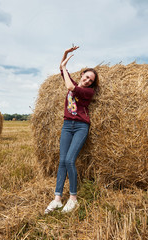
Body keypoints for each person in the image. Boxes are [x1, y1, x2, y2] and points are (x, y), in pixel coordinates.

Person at [44, 46, 99, 214]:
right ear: (82, 74)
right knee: (62, 161)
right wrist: (65, 55)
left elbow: (69, 86)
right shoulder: (75, 83)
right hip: (67, 126)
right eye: (87, 76)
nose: (89, 80)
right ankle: (57, 199)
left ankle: (73, 199)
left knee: (69, 160)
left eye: (91, 79)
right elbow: (62, 68)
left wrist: (64, 68)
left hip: (81, 126)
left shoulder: (87, 92)